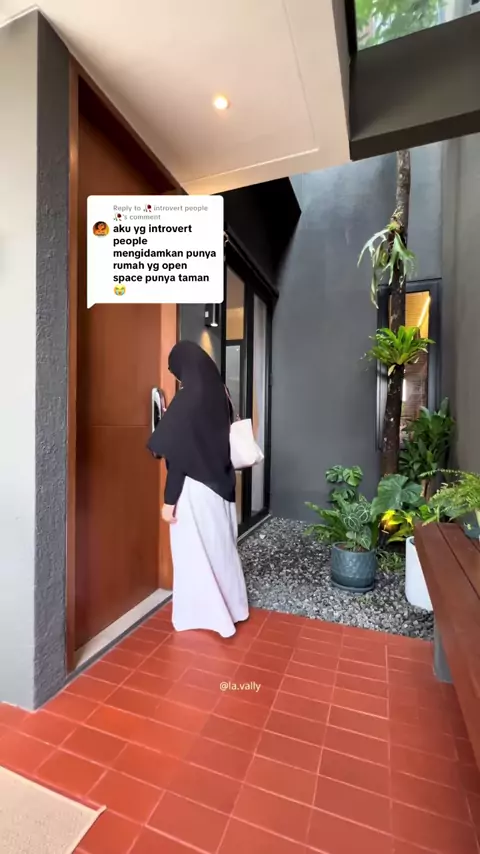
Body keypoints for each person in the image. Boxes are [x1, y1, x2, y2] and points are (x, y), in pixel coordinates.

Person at [147, 340, 249, 637]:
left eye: (177, 372)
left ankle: (206, 616)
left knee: (195, 555)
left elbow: (180, 455)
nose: (179, 379)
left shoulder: (189, 398)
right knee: (222, 551)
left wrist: (169, 502)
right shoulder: (221, 393)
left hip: (194, 491)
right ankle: (234, 609)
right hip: (222, 485)